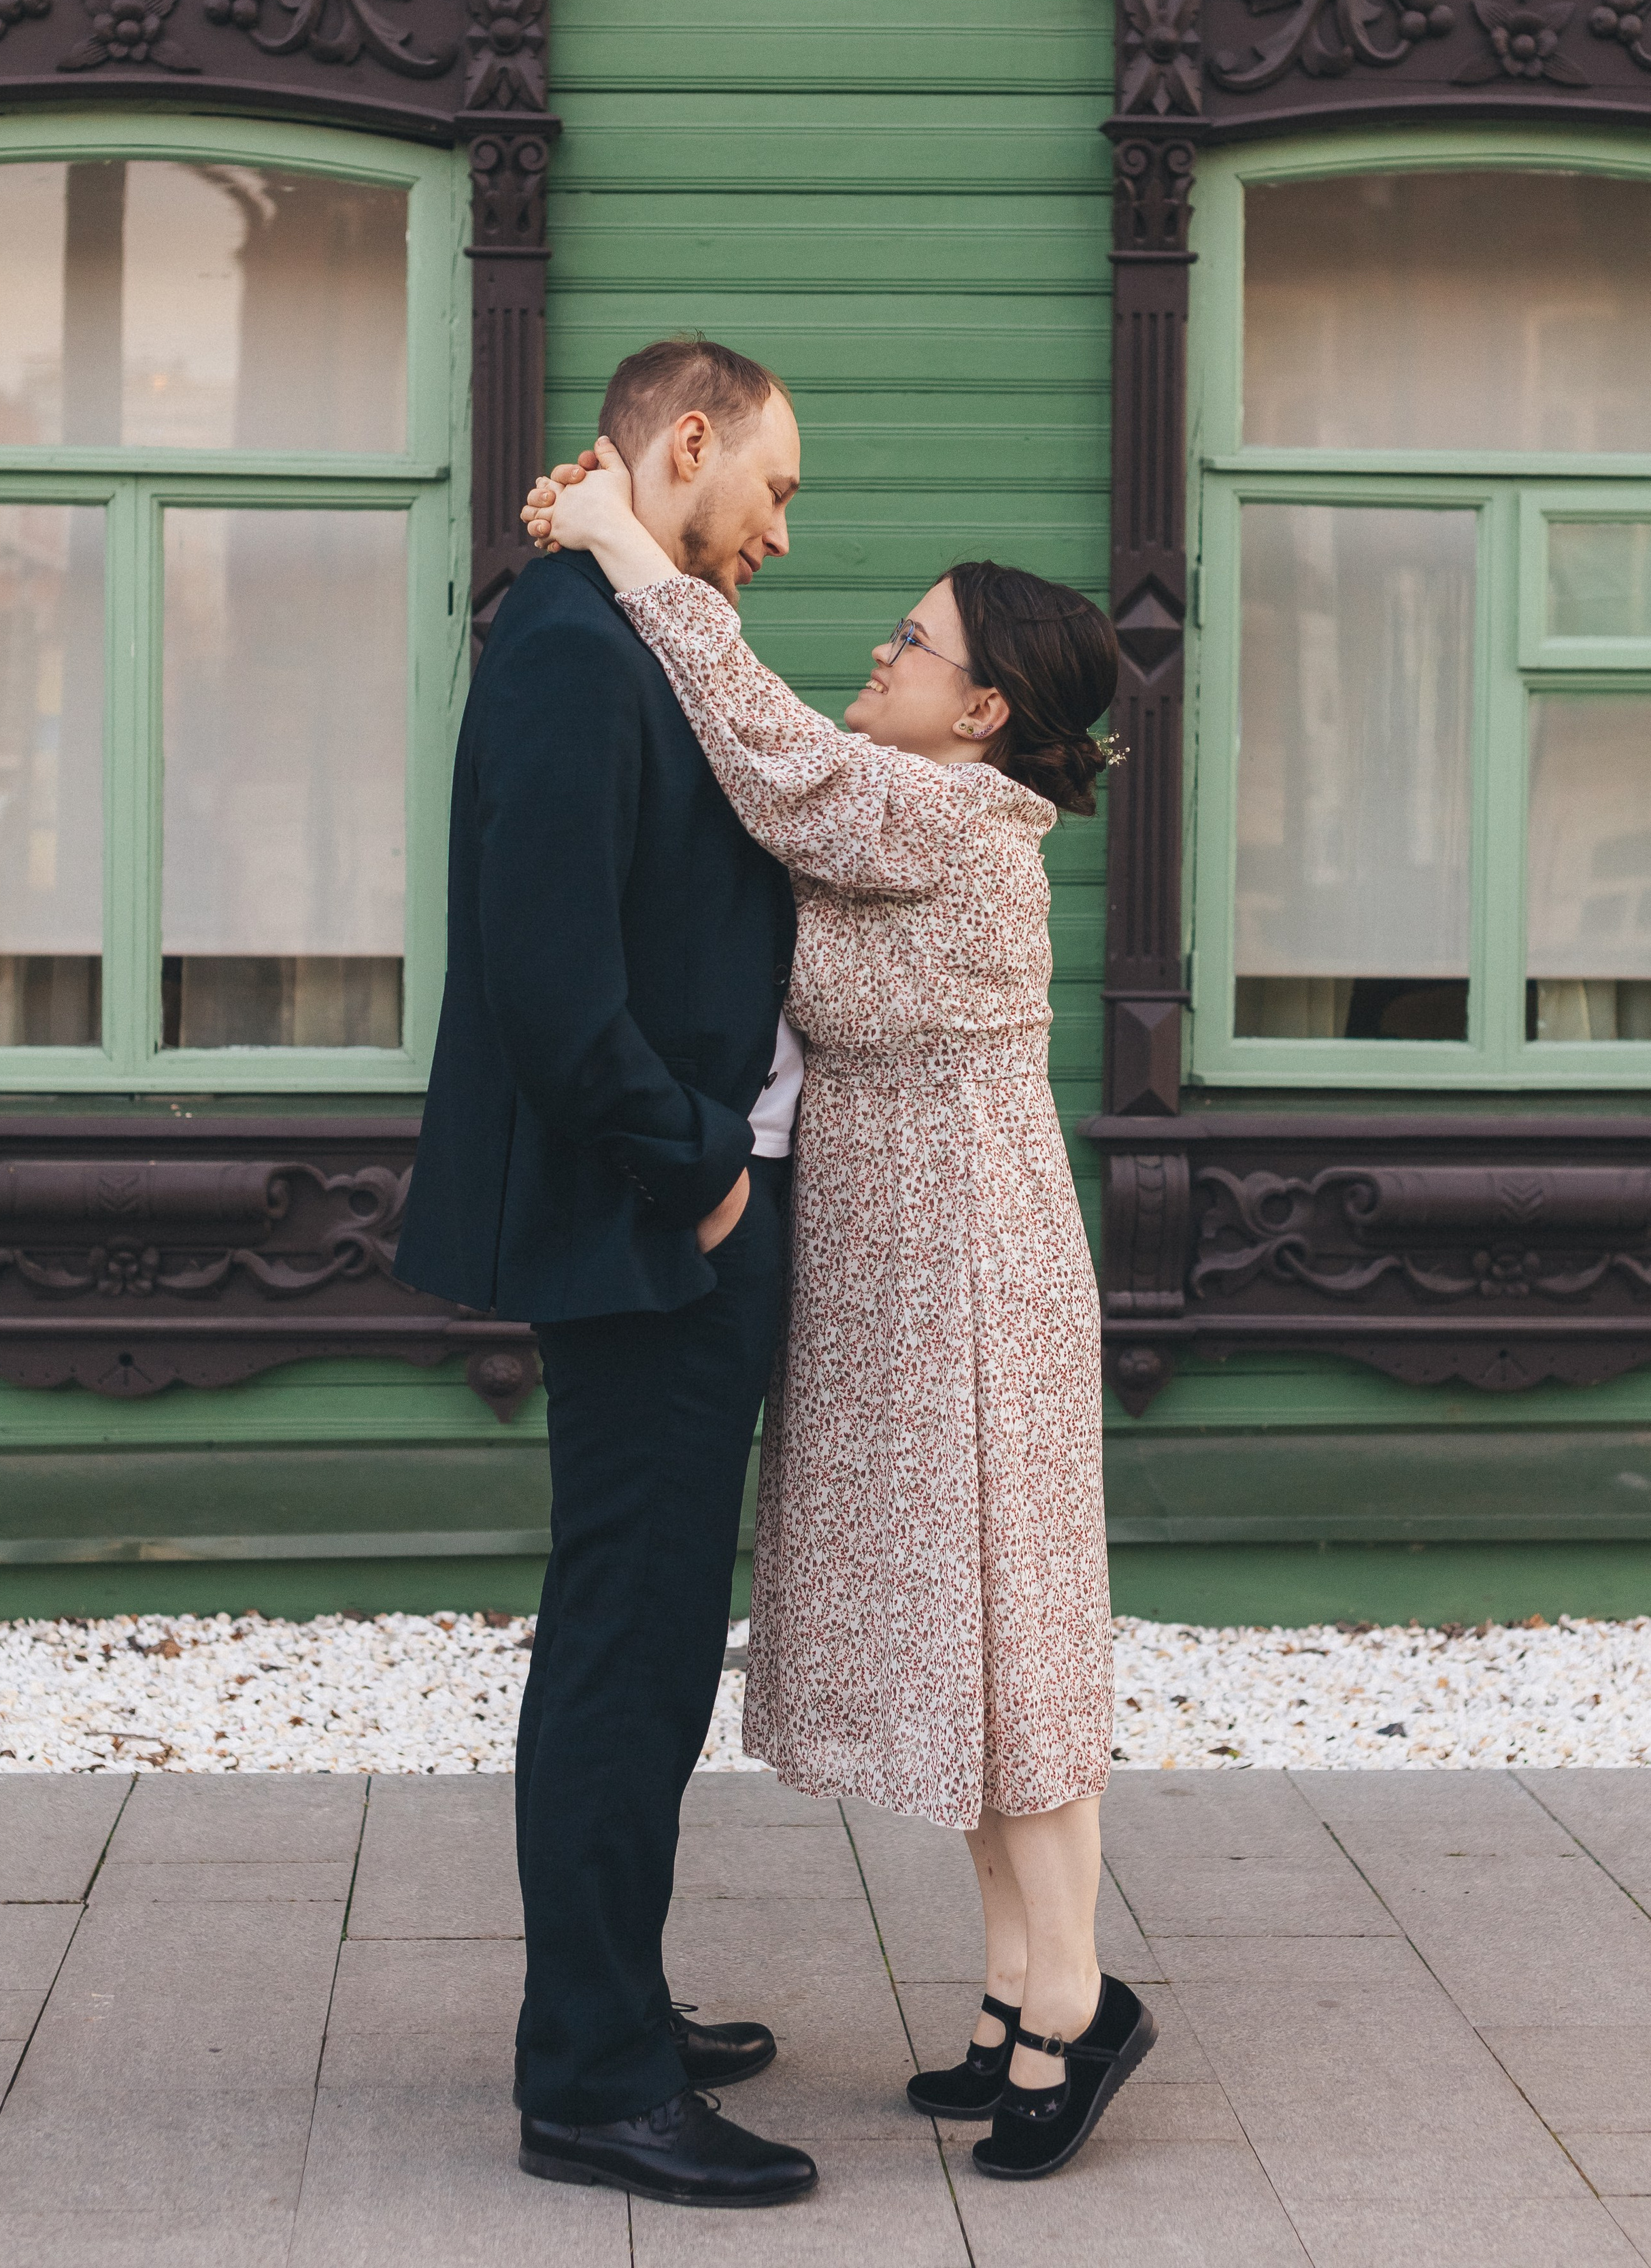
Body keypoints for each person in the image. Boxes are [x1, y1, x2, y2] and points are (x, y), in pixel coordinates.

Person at [523, 437, 1154, 2183]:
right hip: (899, 1258)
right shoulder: (907, 808)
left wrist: (621, 544)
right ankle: (1024, 1996)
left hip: (964, 1269)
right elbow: (753, 771)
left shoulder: (952, 822)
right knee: (974, 1649)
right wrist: (616, 529)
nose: (871, 656)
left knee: (1016, 1645)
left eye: (908, 644)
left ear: (980, 715)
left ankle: (1069, 2005)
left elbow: (766, 751)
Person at [395, 339, 819, 2209]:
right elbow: (552, 980)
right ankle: (592, 2076)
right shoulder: (572, 655)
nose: (780, 537)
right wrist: (706, 1174)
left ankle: (616, 1997)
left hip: (669, 1230)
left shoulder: (621, 621)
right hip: (649, 1234)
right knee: (624, 1656)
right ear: (689, 445)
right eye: (774, 493)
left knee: (647, 1654)